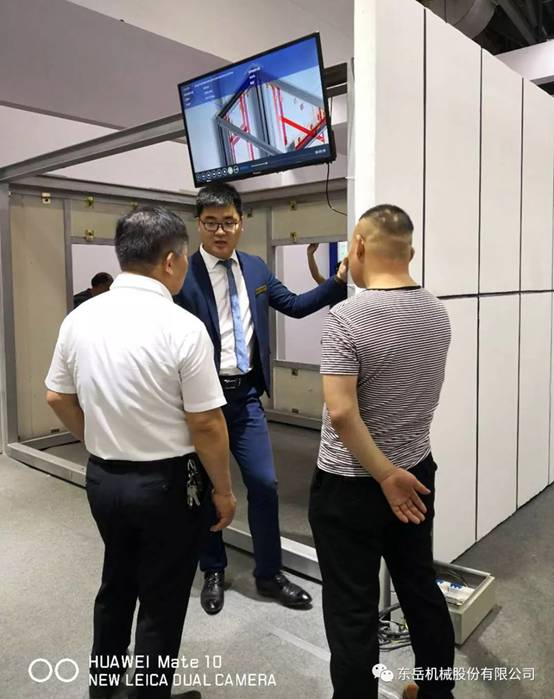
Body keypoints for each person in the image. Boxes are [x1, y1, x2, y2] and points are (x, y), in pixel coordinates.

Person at [45, 207, 236, 699]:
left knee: (116, 585)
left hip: (103, 480)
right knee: (161, 599)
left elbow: (57, 396)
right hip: (166, 485)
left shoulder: (80, 317)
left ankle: (105, 690)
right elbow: (206, 422)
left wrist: (96, 438)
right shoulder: (182, 326)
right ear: (171, 261)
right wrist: (223, 490)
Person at [174, 182, 348, 615]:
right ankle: (213, 568)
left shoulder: (254, 268)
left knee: (265, 485)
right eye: (211, 223)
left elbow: (295, 305)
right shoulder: (182, 274)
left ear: (241, 223)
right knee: (206, 489)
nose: (220, 231)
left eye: (228, 222)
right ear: (199, 225)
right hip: (201, 401)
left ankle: (269, 574)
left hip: (245, 398)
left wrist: (339, 282)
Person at [309, 204, 455, 699]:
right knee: (419, 587)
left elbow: (342, 413)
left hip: (351, 483)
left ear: (357, 245)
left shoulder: (346, 318)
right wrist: (396, 474)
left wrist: (385, 475)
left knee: (352, 608)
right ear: (410, 252)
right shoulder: (437, 312)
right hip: (417, 474)